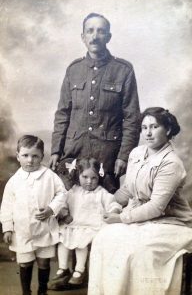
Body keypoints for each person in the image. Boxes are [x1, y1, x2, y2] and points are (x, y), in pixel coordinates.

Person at [88, 107, 192, 295]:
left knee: (136, 251)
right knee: (103, 238)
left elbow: (156, 207)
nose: (148, 133)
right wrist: (114, 205)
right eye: (144, 128)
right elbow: (128, 188)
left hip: (169, 221)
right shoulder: (137, 153)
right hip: (139, 217)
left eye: (154, 127)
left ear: (167, 130)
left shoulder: (171, 163)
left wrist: (121, 218)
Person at [49, 12, 140, 193]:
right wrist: (55, 151)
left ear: (108, 36)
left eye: (100, 31)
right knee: (67, 205)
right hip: (73, 152)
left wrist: (124, 156)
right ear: (83, 37)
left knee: (107, 208)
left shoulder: (123, 70)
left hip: (107, 155)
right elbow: (63, 113)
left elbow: (132, 118)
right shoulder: (74, 70)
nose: (95, 36)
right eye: (90, 31)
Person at [0, 135, 67, 295]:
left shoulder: (49, 176)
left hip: (44, 229)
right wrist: (7, 228)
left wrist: (51, 208)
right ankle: (26, 292)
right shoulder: (14, 181)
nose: (30, 160)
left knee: (44, 263)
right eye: (25, 155)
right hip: (22, 232)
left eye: (35, 156)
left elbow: (62, 193)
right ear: (18, 156)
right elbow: (6, 206)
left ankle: (42, 291)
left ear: (42, 157)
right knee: (25, 263)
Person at [50, 157, 122, 286]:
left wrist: (113, 211)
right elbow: (63, 203)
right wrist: (64, 213)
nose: (89, 181)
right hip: (73, 224)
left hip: (91, 226)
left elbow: (113, 203)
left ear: (99, 177)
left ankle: (79, 270)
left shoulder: (101, 193)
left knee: (81, 243)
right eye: (85, 177)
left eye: (94, 178)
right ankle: (63, 268)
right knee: (63, 240)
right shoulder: (73, 190)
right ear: (78, 175)